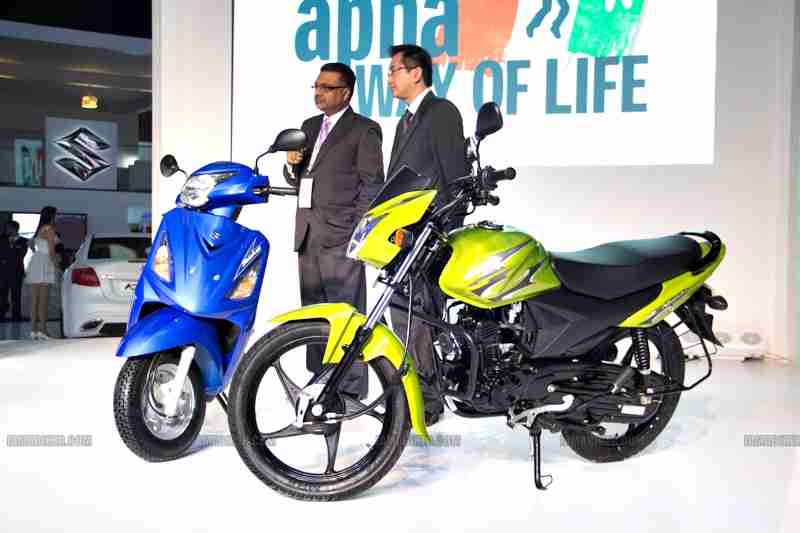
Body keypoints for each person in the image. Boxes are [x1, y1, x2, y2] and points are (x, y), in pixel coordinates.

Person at [284, 62, 385, 398]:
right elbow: (301, 180)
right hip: (307, 233)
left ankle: (350, 388)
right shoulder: (309, 127)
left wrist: (356, 232)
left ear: (346, 93)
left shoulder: (364, 130)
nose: (319, 92)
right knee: (314, 315)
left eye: (326, 87)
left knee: (346, 315)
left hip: (341, 237)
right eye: (316, 86)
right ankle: (320, 379)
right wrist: (291, 166)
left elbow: (372, 186)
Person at [386, 44, 470, 425]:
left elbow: (455, 179)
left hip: (430, 238)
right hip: (402, 237)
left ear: (416, 73)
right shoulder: (403, 123)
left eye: (395, 71)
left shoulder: (442, 113)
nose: (390, 78)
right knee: (402, 317)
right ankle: (413, 396)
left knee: (422, 319)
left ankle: (429, 404)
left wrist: (444, 234)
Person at [24, 206, 60, 340]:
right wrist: (57, 266)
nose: (56, 217)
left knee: (35, 300)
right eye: (55, 215)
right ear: (51, 216)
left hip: (36, 262)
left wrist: (37, 252)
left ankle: (33, 330)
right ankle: (43, 330)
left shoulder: (40, 229)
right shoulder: (49, 229)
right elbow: (51, 251)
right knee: (43, 301)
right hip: (45, 263)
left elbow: (30, 244)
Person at [0, 220, 28, 322]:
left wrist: (7, 256)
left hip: (17, 272)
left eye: (8, 228)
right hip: (3, 272)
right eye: (6, 228)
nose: (6, 230)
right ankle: (1, 315)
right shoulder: (2, 239)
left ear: (15, 229)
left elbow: (21, 255)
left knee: (16, 295)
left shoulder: (24, 241)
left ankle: (16, 316)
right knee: (2, 295)